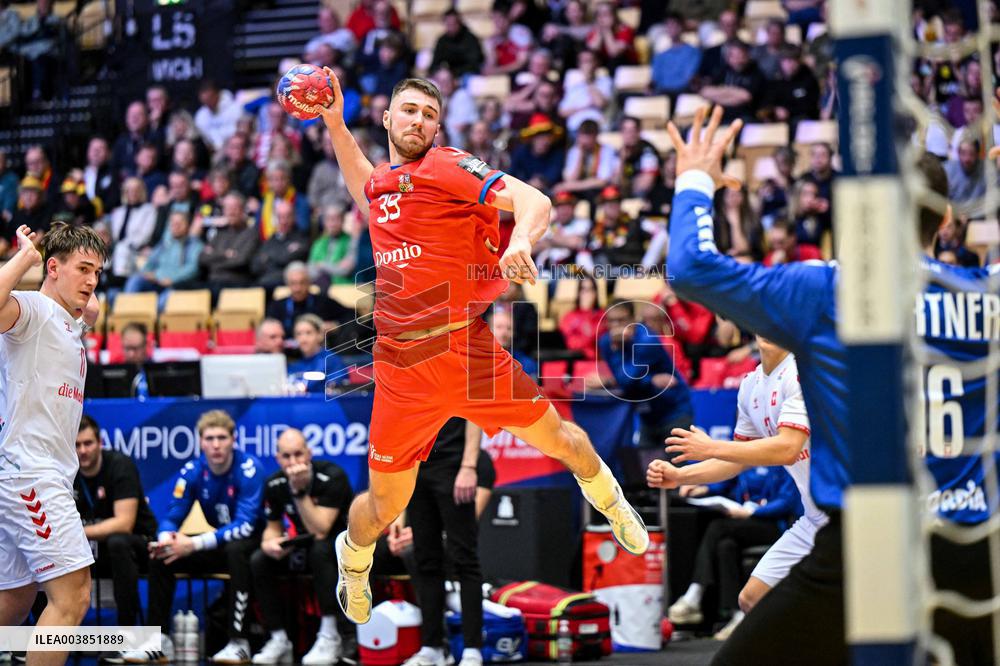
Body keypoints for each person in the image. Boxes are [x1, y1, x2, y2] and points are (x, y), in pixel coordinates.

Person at [312, 72, 649, 627]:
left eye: (428, 113)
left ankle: (612, 501)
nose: (418, 120)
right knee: (383, 508)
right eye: (409, 110)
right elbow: (362, 185)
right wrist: (332, 122)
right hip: (402, 364)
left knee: (562, 439)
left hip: (468, 349)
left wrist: (520, 239)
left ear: (437, 126)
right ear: (389, 120)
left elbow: (532, 198)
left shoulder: (446, 165)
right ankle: (353, 556)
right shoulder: (385, 185)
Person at [664, 106, 987, 664]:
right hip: (974, 544)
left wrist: (695, 176)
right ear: (948, 219)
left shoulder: (827, 290)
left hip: (866, 543)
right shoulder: (986, 295)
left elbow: (691, 266)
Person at [650, 337, 827, 640]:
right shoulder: (751, 385)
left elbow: (787, 448)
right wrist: (680, 476)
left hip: (846, 514)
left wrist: (711, 447)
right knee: (751, 598)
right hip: (813, 520)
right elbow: (736, 461)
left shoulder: (801, 373)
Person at [0, 222, 104, 666]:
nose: (92, 281)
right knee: (73, 597)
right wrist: (26, 256)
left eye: (98, 272)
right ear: (54, 268)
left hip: (29, 475)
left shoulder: (73, 320)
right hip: (31, 475)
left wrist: (80, 264)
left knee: (15, 604)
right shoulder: (34, 311)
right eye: (84, 269)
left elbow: (93, 308)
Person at [123, 410, 264, 664]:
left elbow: (245, 525)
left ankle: (238, 643)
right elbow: (173, 514)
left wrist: (194, 543)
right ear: (201, 442)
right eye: (210, 438)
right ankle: (158, 641)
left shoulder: (249, 469)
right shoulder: (193, 470)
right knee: (163, 555)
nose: (216, 445)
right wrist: (166, 538)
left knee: (236, 549)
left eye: (222, 437)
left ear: (234, 439)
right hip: (217, 543)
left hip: (254, 543)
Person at [250, 429, 354, 665]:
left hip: (340, 545)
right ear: (278, 458)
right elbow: (273, 527)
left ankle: (330, 635)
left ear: (309, 453)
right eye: (286, 456)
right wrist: (270, 543)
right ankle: (278, 639)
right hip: (303, 544)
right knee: (259, 559)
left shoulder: (332, 476)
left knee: (320, 548)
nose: (294, 462)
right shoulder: (275, 483)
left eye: (299, 454)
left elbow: (321, 529)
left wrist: (298, 491)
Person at [659, 465, 798, 639]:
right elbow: (726, 478)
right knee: (726, 546)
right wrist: (704, 487)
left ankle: (694, 594)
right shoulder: (746, 458)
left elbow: (787, 501)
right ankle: (737, 615)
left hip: (775, 525)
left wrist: (752, 511)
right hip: (746, 522)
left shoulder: (783, 463)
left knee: (718, 527)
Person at [402, 418, 484, 666]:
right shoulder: (408, 377)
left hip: (454, 464)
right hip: (417, 467)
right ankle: (432, 646)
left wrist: (469, 466)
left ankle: (472, 649)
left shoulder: (463, 376)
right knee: (425, 560)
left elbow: (475, 414)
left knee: (464, 558)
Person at [74, 415, 158, 627]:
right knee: (41, 551)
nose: (83, 451)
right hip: (91, 550)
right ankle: (34, 640)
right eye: (76, 445)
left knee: (118, 542)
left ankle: (126, 637)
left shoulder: (120, 465)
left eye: (88, 443)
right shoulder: (67, 472)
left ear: (100, 443)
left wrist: (77, 532)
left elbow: (124, 523)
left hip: (138, 545)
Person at [287, 313, 347, 394]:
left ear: (320, 335)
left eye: (308, 333)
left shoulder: (331, 361)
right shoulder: (293, 365)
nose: (303, 339)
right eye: (299, 334)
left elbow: (336, 389)